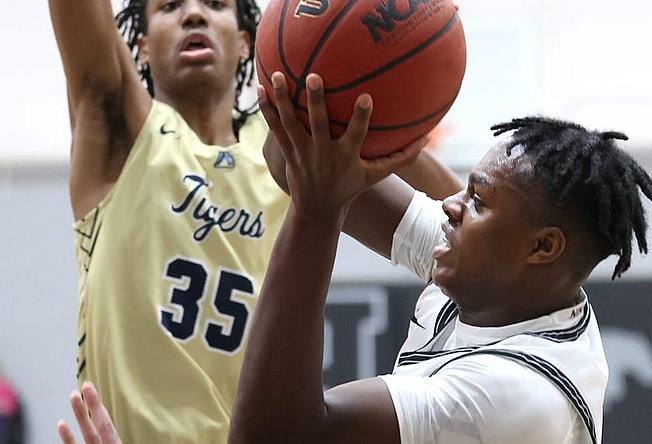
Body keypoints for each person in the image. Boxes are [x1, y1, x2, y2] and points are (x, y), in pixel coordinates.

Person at [49, 0, 462, 442]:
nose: (193, 14)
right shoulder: (120, 139)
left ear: (247, 42)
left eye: (215, 5)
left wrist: (381, 117)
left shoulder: (293, 152)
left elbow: (463, 223)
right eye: (170, 6)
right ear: (142, 48)